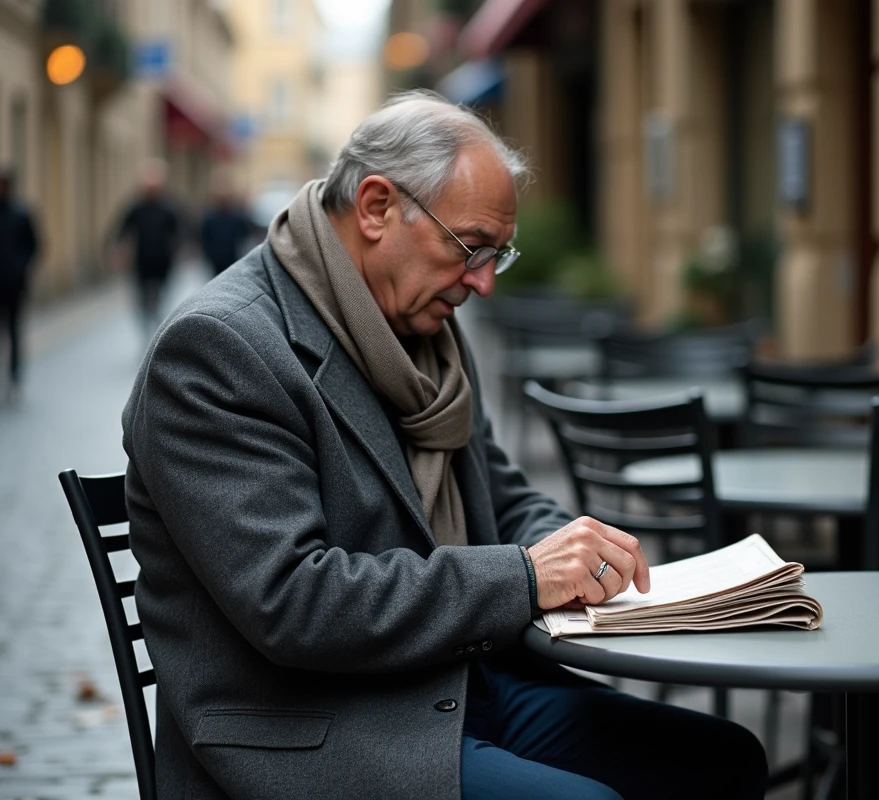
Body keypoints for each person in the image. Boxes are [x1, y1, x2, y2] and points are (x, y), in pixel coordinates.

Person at [122, 91, 768, 800]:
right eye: (470, 247)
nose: (484, 283)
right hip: (312, 730)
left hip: (454, 685)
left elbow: (501, 494)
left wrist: (577, 553)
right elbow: (296, 602)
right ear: (375, 207)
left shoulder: (417, 330)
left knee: (724, 759)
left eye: (499, 255)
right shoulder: (220, 347)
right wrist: (525, 577)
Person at [115, 159, 181, 339]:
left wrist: (178, 251)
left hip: (162, 261)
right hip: (142, 261)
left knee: (160, 298)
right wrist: (118, 251)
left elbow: (178, 231)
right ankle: (147, 329)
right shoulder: (136, 208)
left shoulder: (168, 208)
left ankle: (158, 328)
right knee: (142, 300)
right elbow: (122, 229)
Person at [0, 167, 38, 401]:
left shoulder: (21, 214)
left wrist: (20, 268)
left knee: (14, 332)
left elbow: (34, 245)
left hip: (14, 284)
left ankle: (14, 377)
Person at [199, 175, 255, 277]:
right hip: (215, 261)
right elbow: (204, 237)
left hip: (232, 260)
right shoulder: (210, 217)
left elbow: (245, 236)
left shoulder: (237, 217)